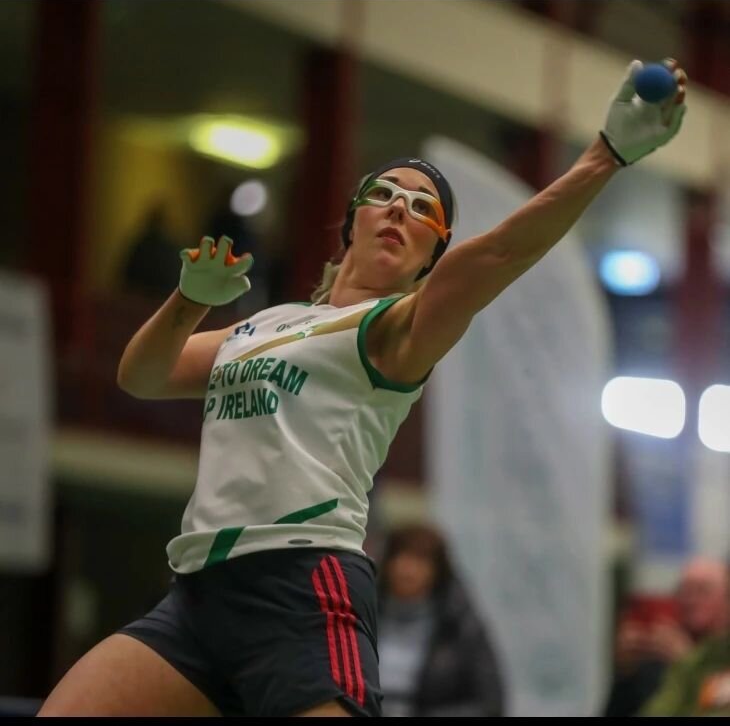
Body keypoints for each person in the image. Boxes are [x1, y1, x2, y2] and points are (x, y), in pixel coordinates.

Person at [38, 58, 687, 717]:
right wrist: (188, 300)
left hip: (302, 589)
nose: (400, 209)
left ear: (431, 255)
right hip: (198, 596)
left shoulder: (391, 328)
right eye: (385, 195)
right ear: (353, 221)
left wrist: (603, 157)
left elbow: (498, 254)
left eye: (423, 209)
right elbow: (141, 375)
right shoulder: (264, 324)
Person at [377, 523, 504, 716]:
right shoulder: (361, 614)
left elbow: (490, 703)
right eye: (401, 557)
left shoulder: (460, 624)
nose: (407, 569)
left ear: (437, 570)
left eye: (419, 560)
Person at [604, 556, 730, 716]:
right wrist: (625, 673)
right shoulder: (658, 657)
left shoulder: (708, 659)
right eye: (684, 591)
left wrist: (688, 662)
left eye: (702, 590)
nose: (690, 599)